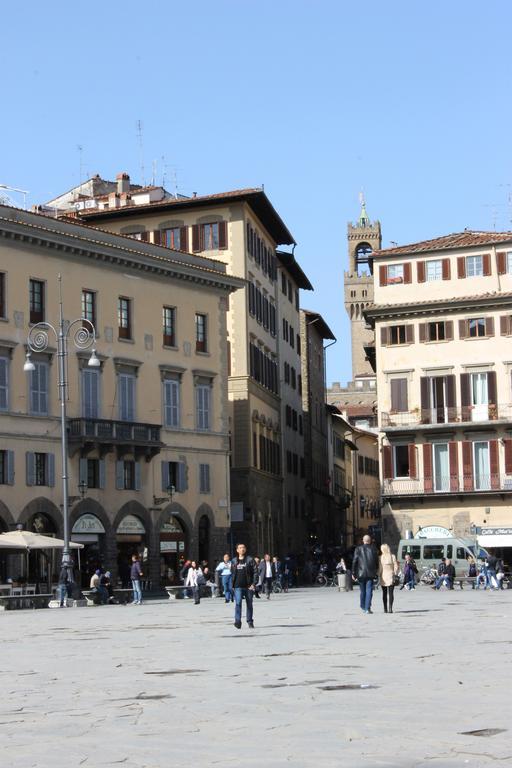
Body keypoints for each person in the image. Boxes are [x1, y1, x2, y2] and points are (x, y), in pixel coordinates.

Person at [231, 543, 257, 629]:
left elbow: (255, 572)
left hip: (248, 586)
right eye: (240, 548)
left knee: (249, 604)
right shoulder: (234, 561)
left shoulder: (250, 559)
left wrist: (253, 584)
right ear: (237, 550)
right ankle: (237, 621)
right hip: (238, 586)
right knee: (238, 603)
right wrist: (232, 585)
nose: (242, 549)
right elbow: (233, 573)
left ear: (245, 549)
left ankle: (250, 621)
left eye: (243, 547)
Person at [351, 534, 379, 614]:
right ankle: (367, 608)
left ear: (363, 541)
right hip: (370, 573)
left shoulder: (358, 549)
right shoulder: (374, 549)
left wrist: (353, 573)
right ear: (370, 541)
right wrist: (376, 570)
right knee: (369, 590)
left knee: (362, 591)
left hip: (360, 573)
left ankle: (363, 606)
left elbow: (354, 561)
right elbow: (376, 562)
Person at [379, 544, 399, 613]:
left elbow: (380, 569)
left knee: (384, 593)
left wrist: (378, 574)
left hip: (383, 576)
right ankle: (390, 608)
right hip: (391, 575)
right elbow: (396, 566)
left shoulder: (381, 557)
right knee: (391, 593)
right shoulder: (392, 556)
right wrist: (395, 573)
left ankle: (385, 609)